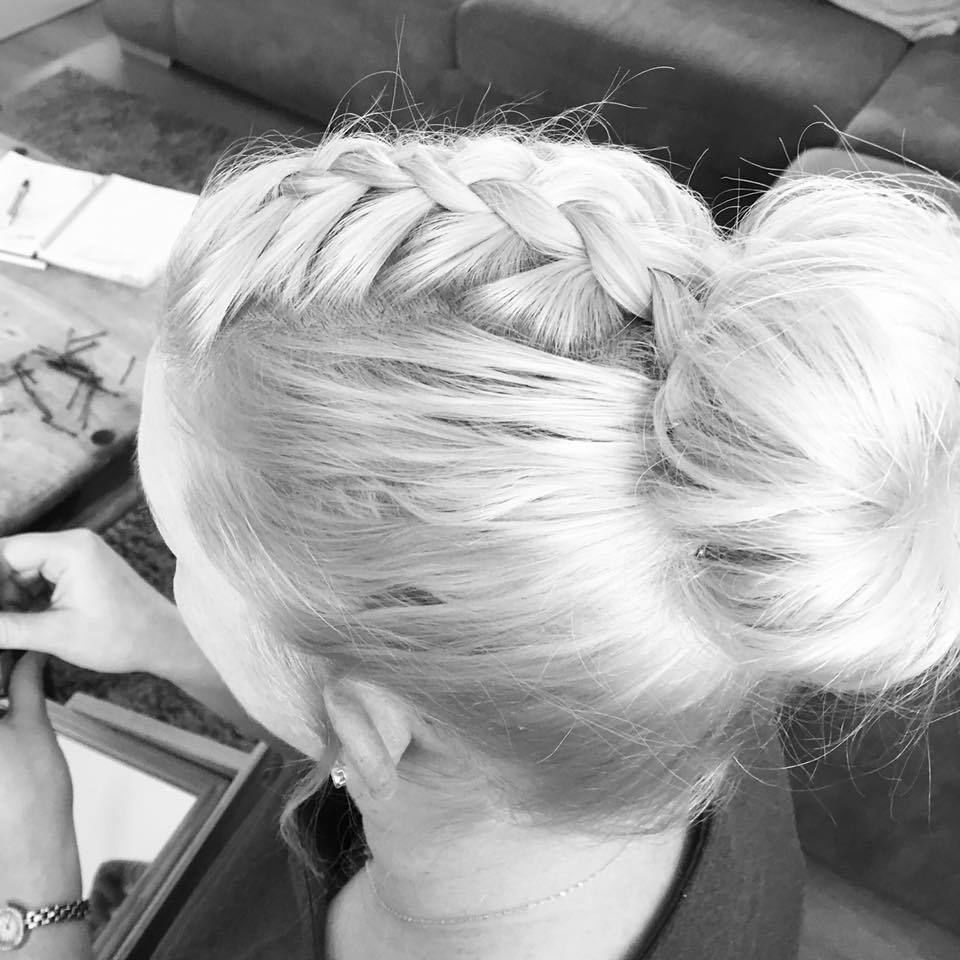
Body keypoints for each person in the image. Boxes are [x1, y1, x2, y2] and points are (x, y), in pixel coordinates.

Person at [0, 107, 958, 960]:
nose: (171, 574)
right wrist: (166, 641)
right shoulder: (688, 666)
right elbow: (404, 748)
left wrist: (35, 900)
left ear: (369, 723)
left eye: (179, 553)